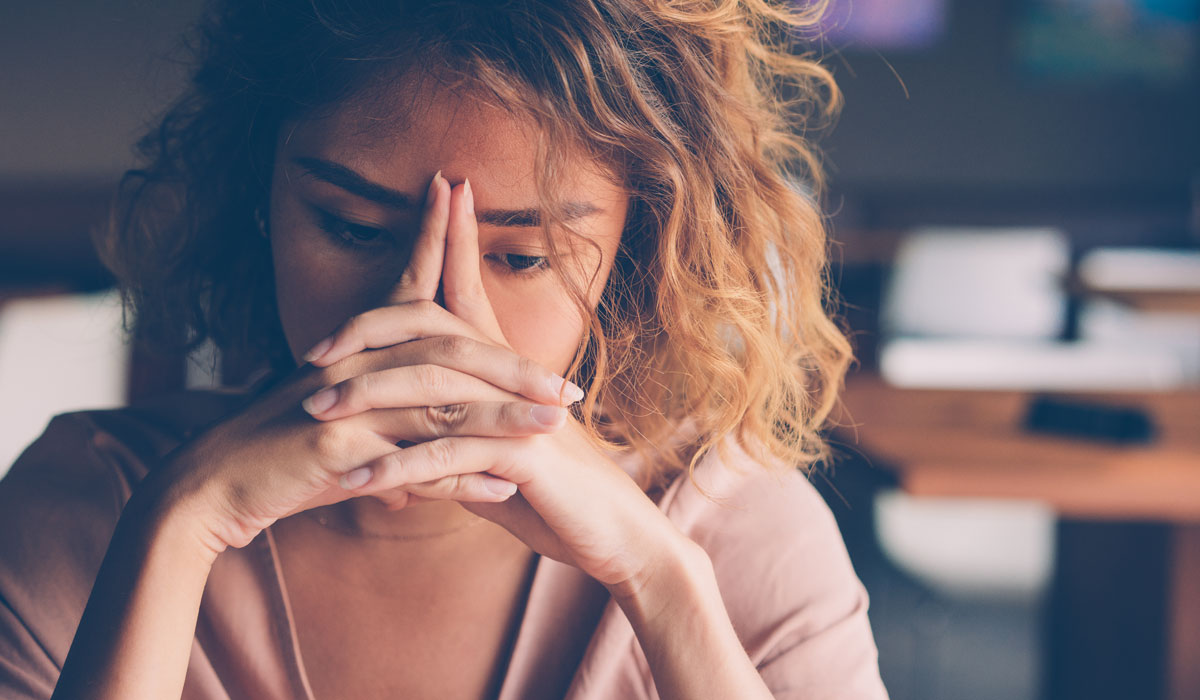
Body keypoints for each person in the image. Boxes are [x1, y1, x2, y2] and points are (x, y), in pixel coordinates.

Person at [0, 0, 888, 698]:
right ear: (260, 198)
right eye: (350, 227)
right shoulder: (88, 508)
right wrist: (178, 531)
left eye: (522, 256)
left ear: (636, 250)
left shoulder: (738, 539)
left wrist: (659, 582)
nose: (426, 316)